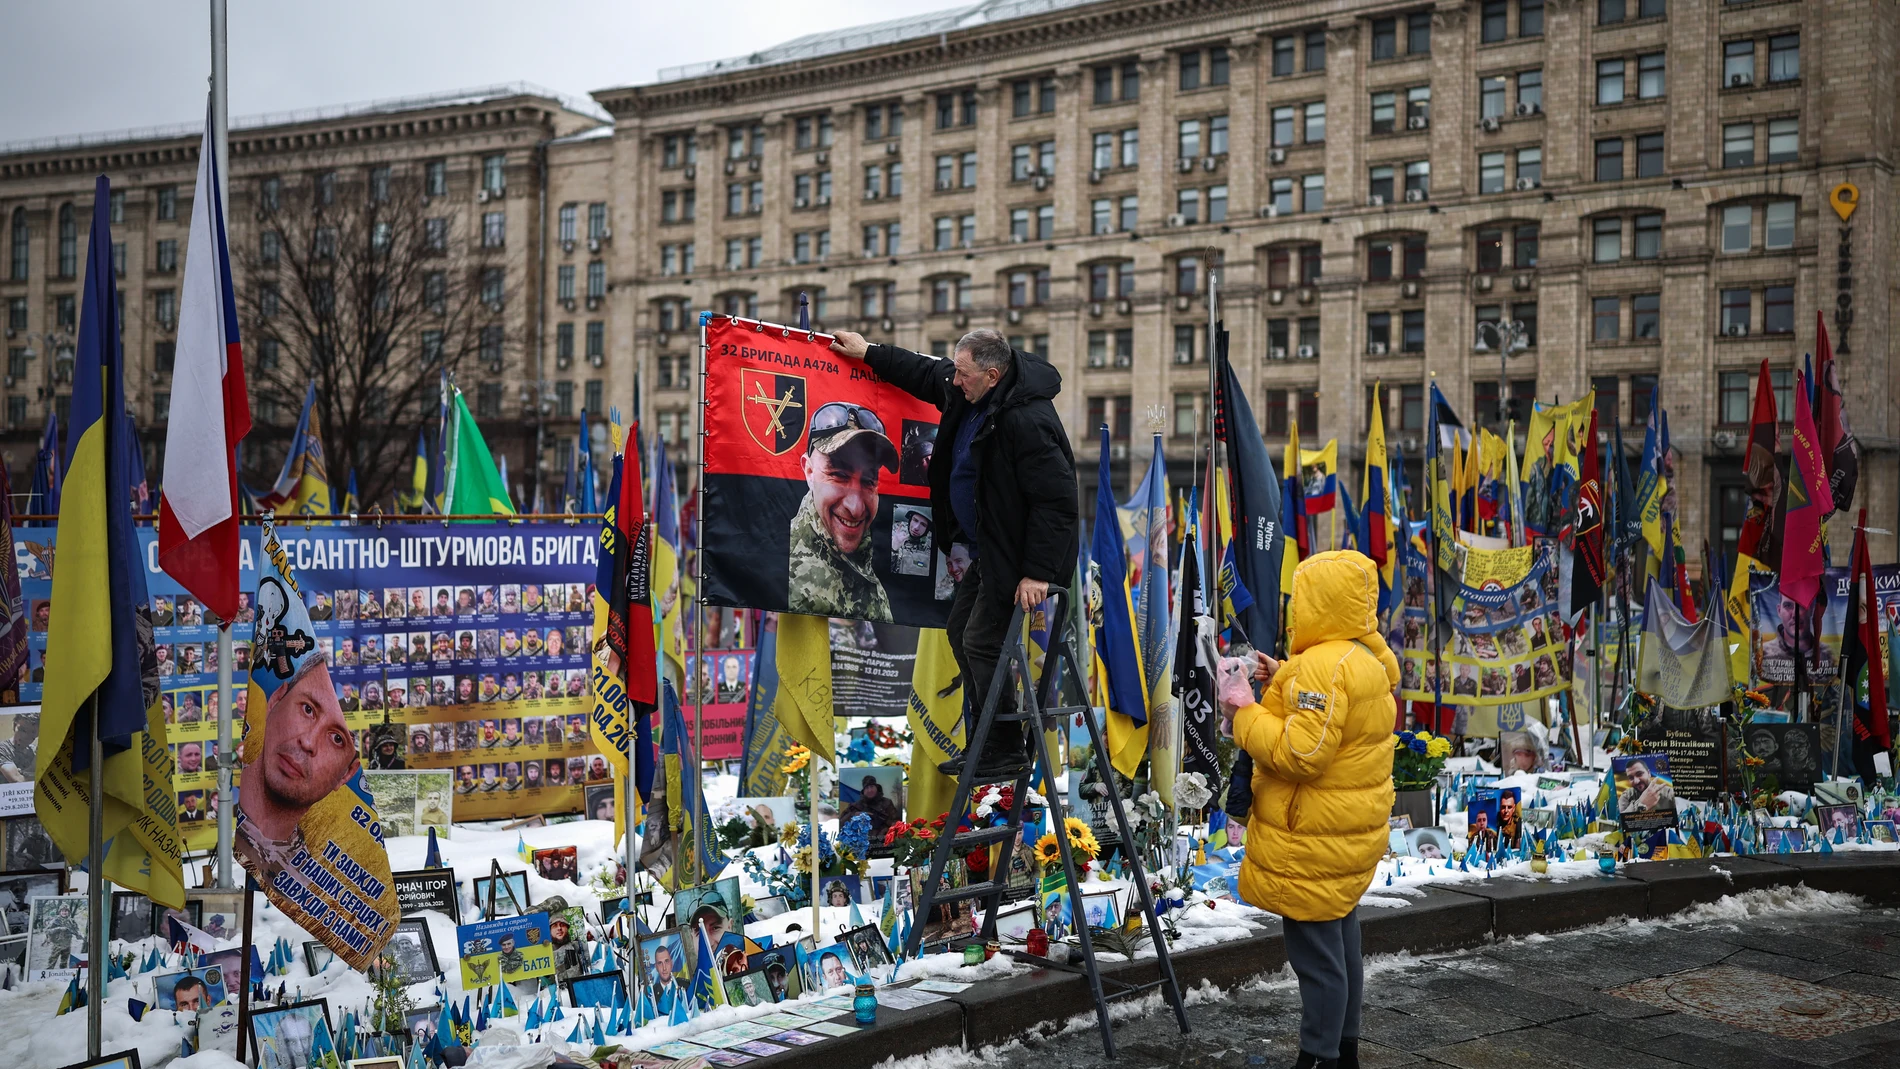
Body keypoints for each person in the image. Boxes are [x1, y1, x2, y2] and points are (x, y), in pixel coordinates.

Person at [830, 327, 1078, 775]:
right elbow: (926, 373)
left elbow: (1057, 502)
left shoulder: (1027, 420)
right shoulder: (972, 391)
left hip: (1017, 556)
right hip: (987, 548)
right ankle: (991, 741)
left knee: (981, 639)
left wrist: (1037, 573)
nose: (956, 382)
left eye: (964, 374)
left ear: (992, 374)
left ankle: (1002, 749)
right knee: (961, 631)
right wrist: (868, 351)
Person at [1220, 551, 1398, 1069]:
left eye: (1303, 600)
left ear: (1321, 603)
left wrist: (1246, 712)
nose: (1296, 612)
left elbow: (1301, 753)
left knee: (1316, 960)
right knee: (1341, 943)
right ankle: (1343, 1052)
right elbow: (1328, 715)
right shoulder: (1360, 659)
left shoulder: (1323, 667)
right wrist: (1284, 676)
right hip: (1342, 836)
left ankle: (1316, 1058)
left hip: (1312, 841)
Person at [234, 654, 358, 882]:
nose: (308, 742)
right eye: (308, 710)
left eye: (337, 739)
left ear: (347, 774)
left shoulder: (324, 887)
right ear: (276, 700)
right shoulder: (223, 854)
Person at [785, 400, 901, 621]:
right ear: (809, 471)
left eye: (868, 481)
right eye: (838, 475)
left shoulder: (868, 563)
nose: (856, 508)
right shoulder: (781, 570)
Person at [840, 776, 900, 842]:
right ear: (863, 791)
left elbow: (897, 823)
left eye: (872, 787)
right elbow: (841, 823)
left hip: (883, 844)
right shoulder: (856, 806)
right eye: (867, 788)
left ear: (876, 788)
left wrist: (885, 830)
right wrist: (854, 815)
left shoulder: (887, 803)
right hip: (860, 844)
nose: (869, 790)